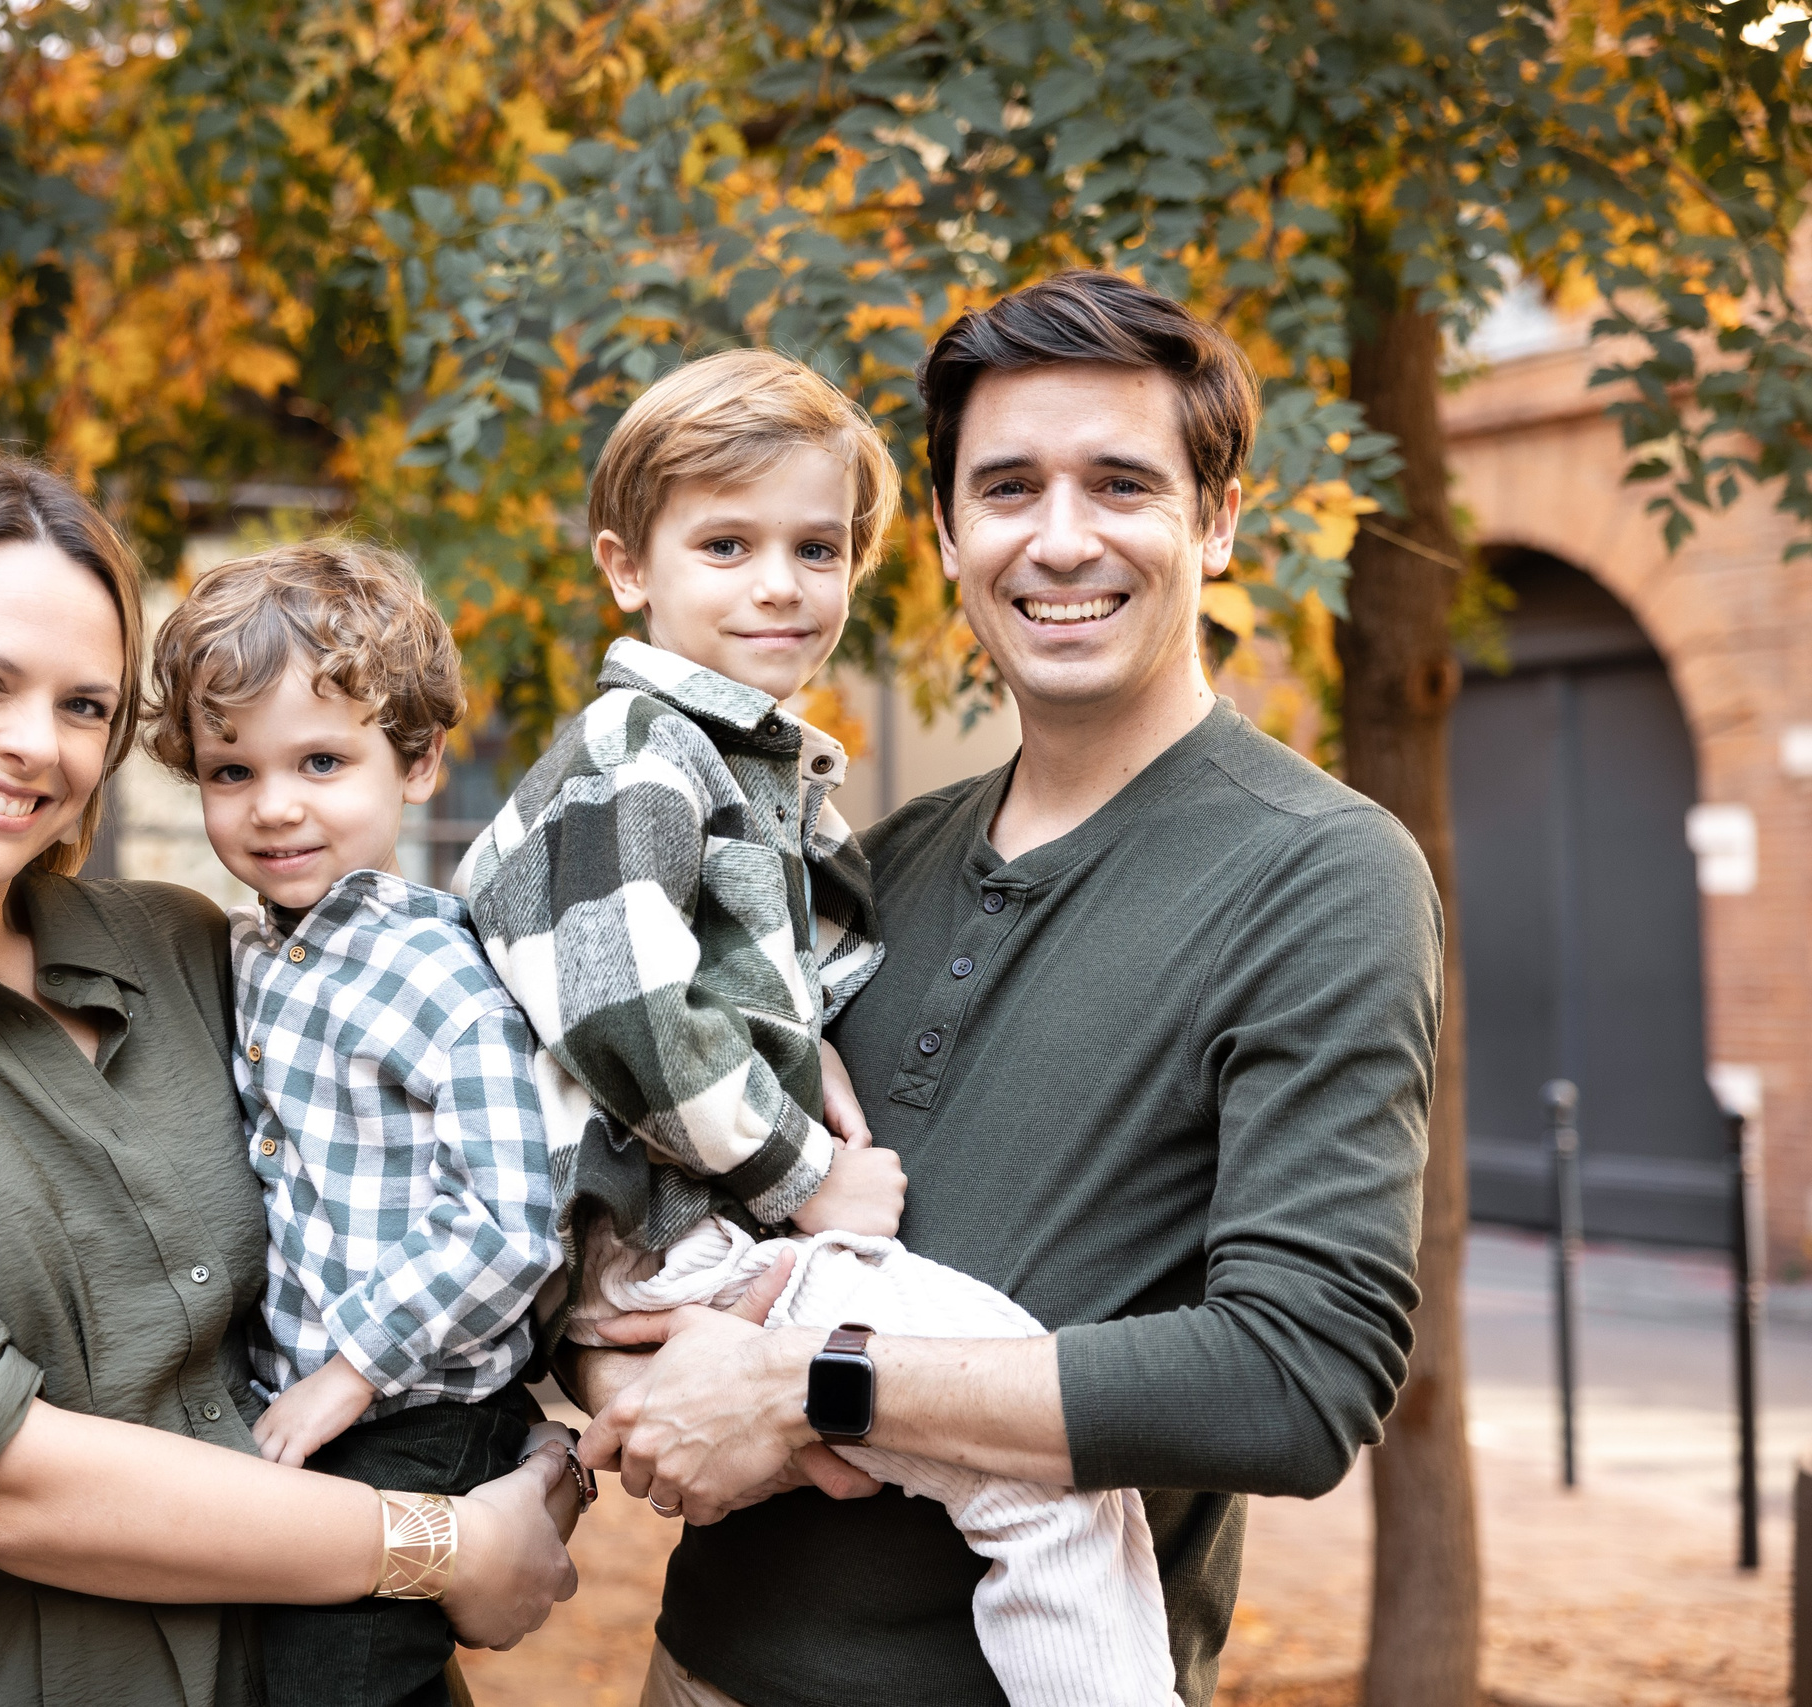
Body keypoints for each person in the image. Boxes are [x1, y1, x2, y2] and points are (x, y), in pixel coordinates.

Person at [572, 271, 1446, 1707]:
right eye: (1007, 487)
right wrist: (624, 1384)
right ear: (945, 532)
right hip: (695, 1670)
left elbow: (1299, 1376)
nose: (1059, 539)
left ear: (1218, 520)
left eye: (1121, 483)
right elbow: (657, 1182)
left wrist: (814, 1378)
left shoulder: (1323, 871)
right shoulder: (868, 861)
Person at [0, 449, 576, 1707]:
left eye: (84, 706)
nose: (33, 747)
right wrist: (441, 1549)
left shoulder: (183, 947)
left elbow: (454, 1180)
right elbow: (10, 1485)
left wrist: (581, 1422)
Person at [460, 348, 1185, 1704]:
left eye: (817, 546)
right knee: (1050, 1467)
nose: (781, 584)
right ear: (628, 565)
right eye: (726, 544)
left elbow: (740, 986)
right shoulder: (639, 753)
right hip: (679, 1238)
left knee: (966, 1461)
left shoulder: (755, 765)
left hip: (684, 1257)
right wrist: (805, 1169)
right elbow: (618, 1007)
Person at [139, 539, 576, 1707]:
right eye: (231, 772)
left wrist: (345, 1374)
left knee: (331, 1682)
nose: (274, 807)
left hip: (413, 1406)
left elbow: (511, 1224)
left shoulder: (440, 973)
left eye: (322, 761)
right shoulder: (253, 951)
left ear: (419, 761)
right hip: (302, 1391)